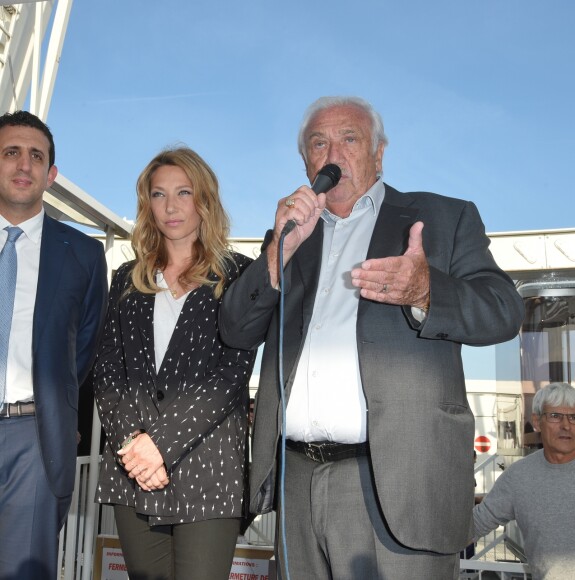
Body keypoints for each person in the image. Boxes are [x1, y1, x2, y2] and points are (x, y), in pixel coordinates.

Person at [218, 96, 524, 579]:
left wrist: (426, 289)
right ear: (306, 161)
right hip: (295, 480)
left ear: (379, 154)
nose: (332, 152)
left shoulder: (444, 219)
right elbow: (234, 331)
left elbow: (505, 311)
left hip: (395, 484)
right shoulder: (293, 234)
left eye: (349, 139)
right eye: (319, 142)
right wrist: (278, 254)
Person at [94, 147, 255, 580]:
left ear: (205, 200)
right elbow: (109, 373)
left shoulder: (239, 274)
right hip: (134, 471)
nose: (171, 206)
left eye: (184, 192)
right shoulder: (126, 279)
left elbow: (232, 373)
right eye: (159, 194)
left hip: (210, 468)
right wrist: (137, 450)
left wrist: (159, 444)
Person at [0, 110, 108, 579]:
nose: (24, 164)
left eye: (36, 156)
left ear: (51, 173)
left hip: (34, 438)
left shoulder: (83, 253)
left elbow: (82, 347)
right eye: (10, 152)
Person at [473, 382, 575, 579]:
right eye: (555, 416)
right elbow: (474, 525)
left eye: (574, 417)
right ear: (537, 421)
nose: (566, 426)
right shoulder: (518, 476)